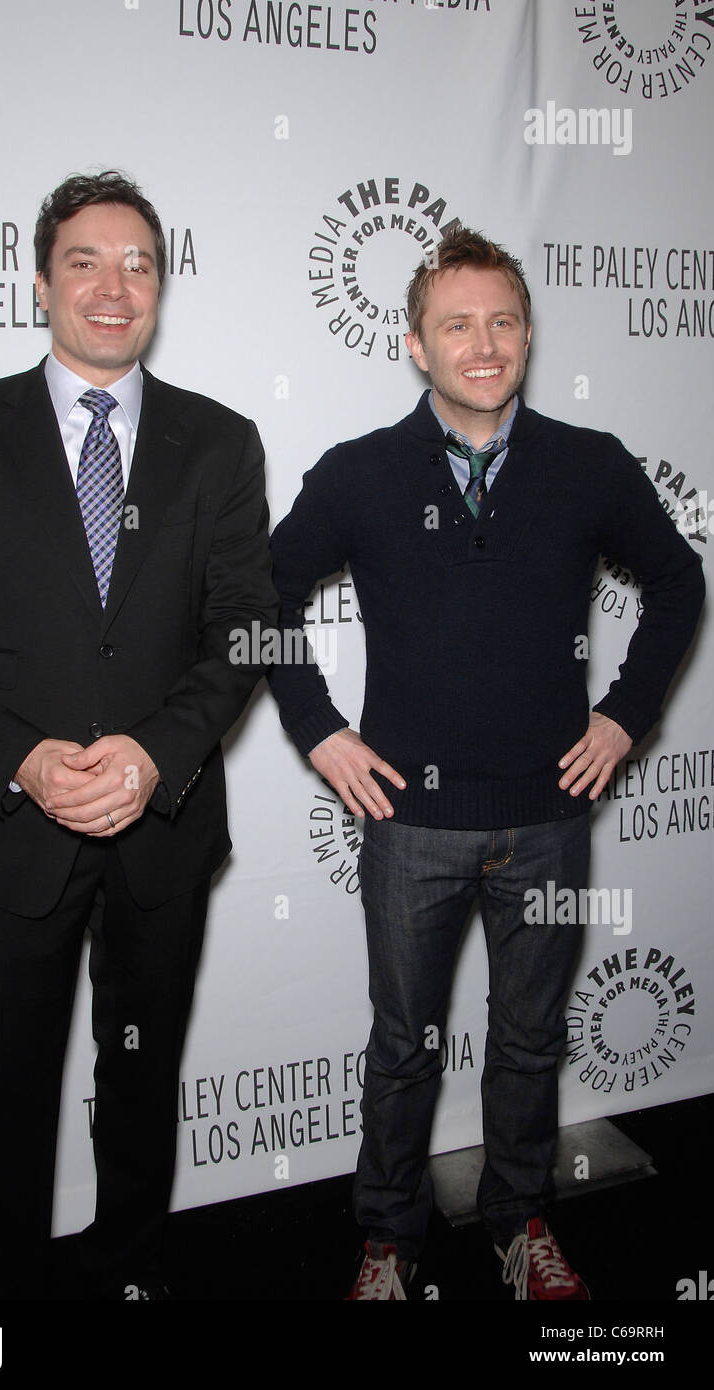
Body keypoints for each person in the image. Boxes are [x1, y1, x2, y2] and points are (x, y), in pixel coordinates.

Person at [268, 228, 704, 1301]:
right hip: (407, 823)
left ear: (525, 335)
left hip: (547, 818)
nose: (482, 342)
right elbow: (256, 601)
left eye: (501, 320)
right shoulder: (358, 472)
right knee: (402, 1047)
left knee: (528, 1040)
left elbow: (677, 582)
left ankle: (518, 1221)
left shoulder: (588, 463)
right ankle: (388, 1238)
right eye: (456, 323)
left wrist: (625, 715)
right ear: (415, 343)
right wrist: (319, 727)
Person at [0, 170, 276, 1300]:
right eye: (86, 261)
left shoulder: (219, 442)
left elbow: (245, 628)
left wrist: (152, 755)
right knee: (1, 1105)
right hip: (11, 834)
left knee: (140, 1099)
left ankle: (128, 1285)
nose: (113, 286)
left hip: (164, 831)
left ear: (161, 286)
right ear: (41, 280)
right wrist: (19, 756)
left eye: (138, 263)